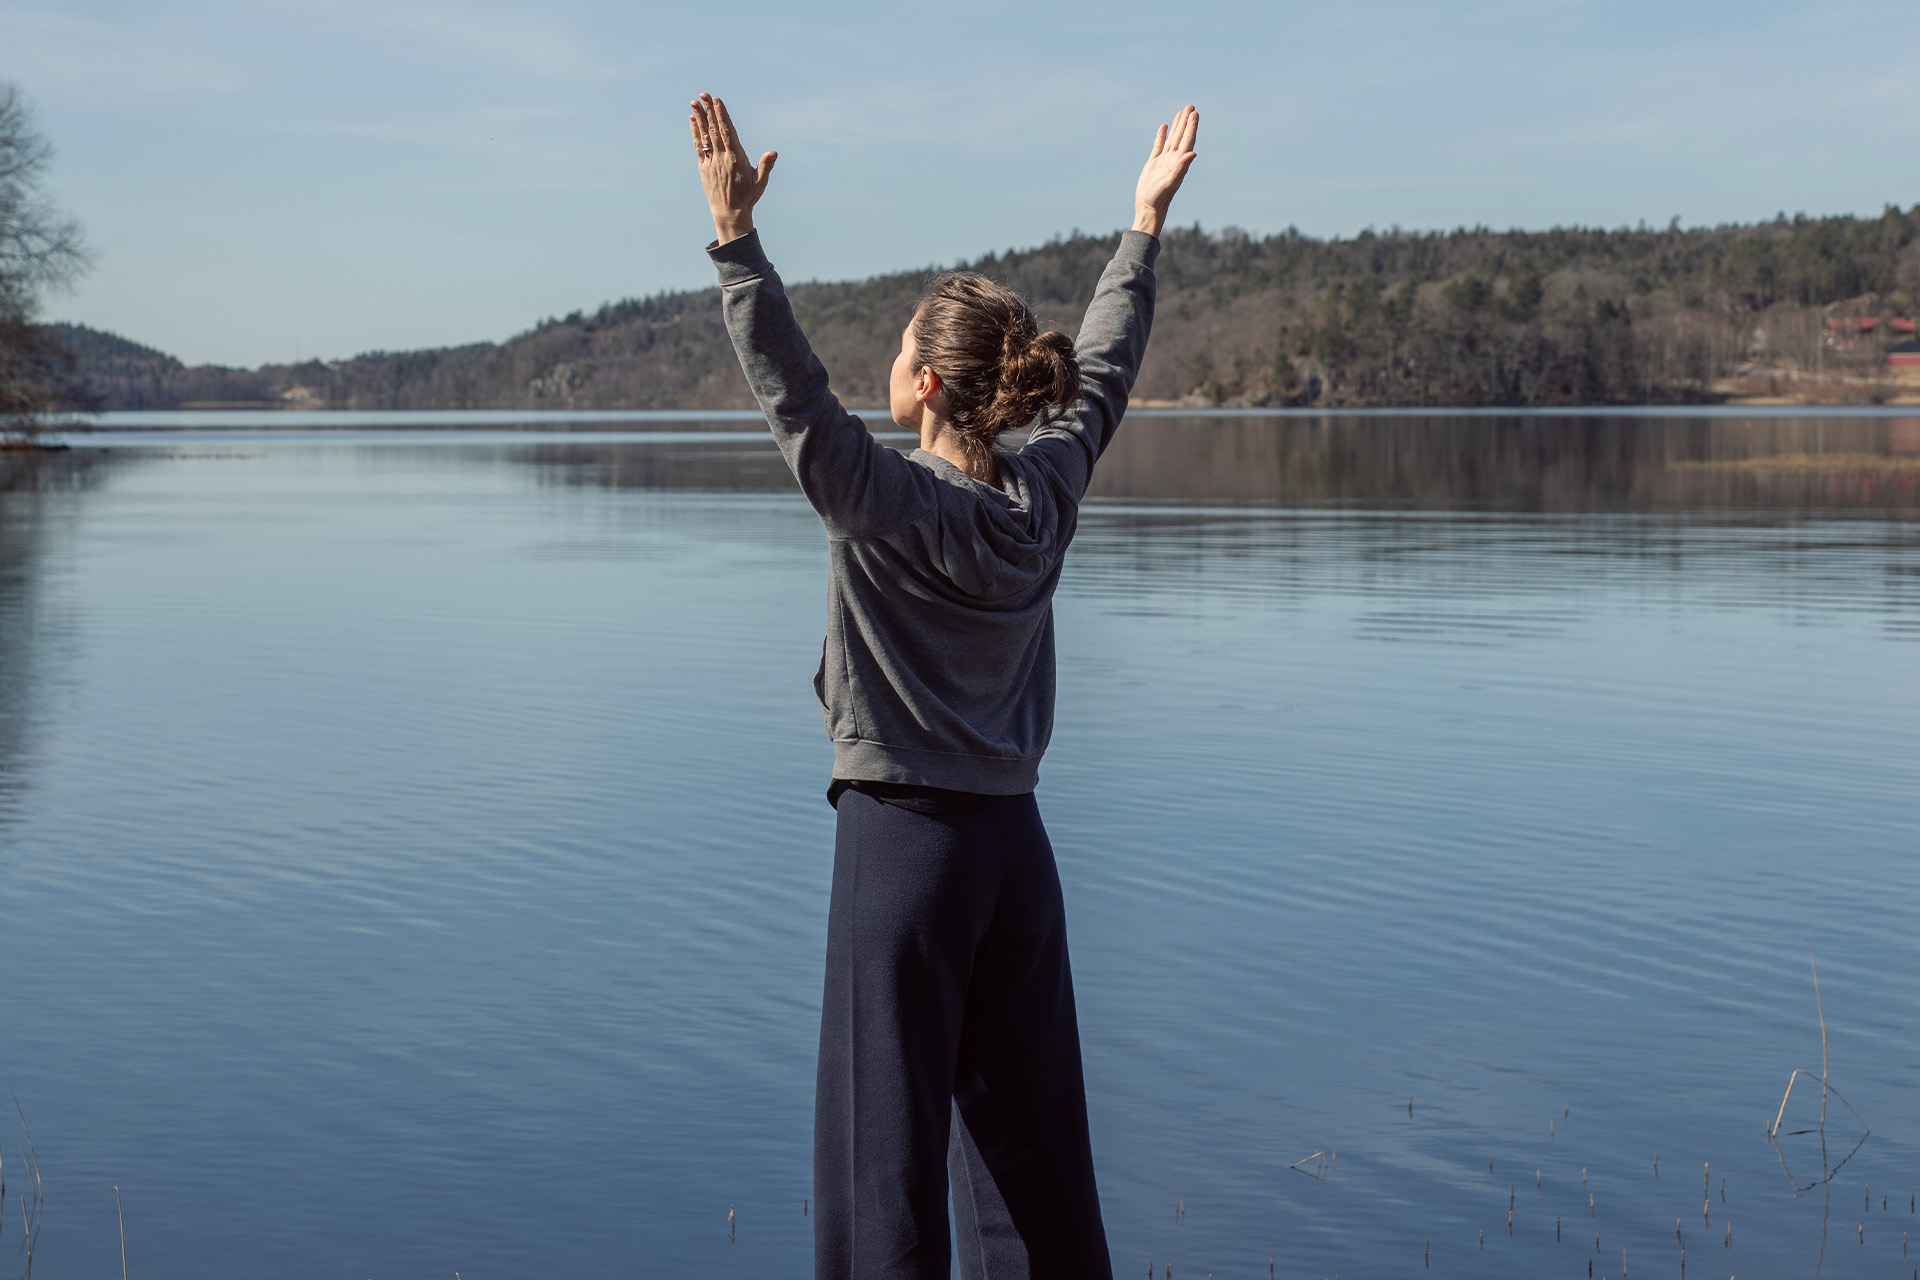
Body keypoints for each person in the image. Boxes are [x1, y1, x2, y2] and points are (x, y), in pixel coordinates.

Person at [688, 91, 1198, 1280]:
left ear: (923, 387)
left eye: (904, 348)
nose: (890, 362)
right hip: (1016, 855)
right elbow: (1108, 368)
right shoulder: (1046, 490)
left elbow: (795, 399)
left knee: (884, 1181)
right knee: (1034, 1176)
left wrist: (735, 244)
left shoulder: (889, 498)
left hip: (902, 851)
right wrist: (1143, 229)